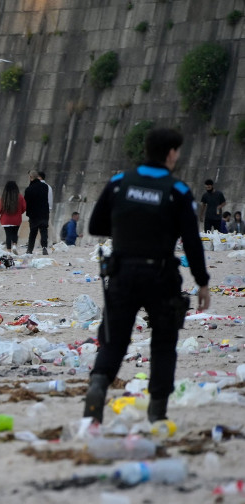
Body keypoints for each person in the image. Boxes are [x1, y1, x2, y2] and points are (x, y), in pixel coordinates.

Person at [83, 128, 210, 425]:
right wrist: (202, 281)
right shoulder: (177, 191)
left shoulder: (119, 183)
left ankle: (99, 384)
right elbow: (192, 240)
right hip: (161, 274)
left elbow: (96, 224)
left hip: (122, 271)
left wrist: (128, 229)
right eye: (177, 152)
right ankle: (157, 411)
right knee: (164, 343)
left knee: (114, 340)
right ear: (169, 153)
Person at [0, 181, 26, 253]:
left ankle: (9, 251)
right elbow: (24, 207)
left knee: (8, 235)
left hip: (5, 220)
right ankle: (14, 245)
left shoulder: (3, 197)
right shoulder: (20, 197)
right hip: (16, 220)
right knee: (15, 233)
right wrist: (20, 212)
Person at [24, 170, 50, 255]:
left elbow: (26, 202)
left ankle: (30, 249)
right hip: (44, 212)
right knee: (44, 230)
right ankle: (44, 247)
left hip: (33, 213)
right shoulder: (45, 187)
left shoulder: (28, 189)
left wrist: (28, 213)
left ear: (31, 177)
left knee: (33, 232)